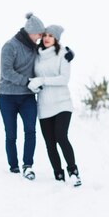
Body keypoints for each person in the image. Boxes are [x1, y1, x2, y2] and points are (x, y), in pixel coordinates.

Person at [28, 25, 82, 187]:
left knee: (61, 136)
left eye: (51, 35)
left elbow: (64, 79)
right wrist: (34, 85)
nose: (47, 38)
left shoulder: (63, 54)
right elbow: (34, 76)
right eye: (45, 35)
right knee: (50, 143)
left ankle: (73, 172)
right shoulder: (36, 56)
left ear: (56, 39)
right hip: (44, 105)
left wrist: (43, 80)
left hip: (62, 103)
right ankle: (58, 175)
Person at [0, 12, 46, 180]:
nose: (40, 37)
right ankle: (13, 166)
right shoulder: (10, 46)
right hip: (7, 97)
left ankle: (28, 165)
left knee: (30, 131)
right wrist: (27, 81)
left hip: (27, 98)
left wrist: (67, 53)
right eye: (39, 34)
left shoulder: (36, 48)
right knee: (11, 134)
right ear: (30, 31)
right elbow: (6, 72)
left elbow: (53, 50)